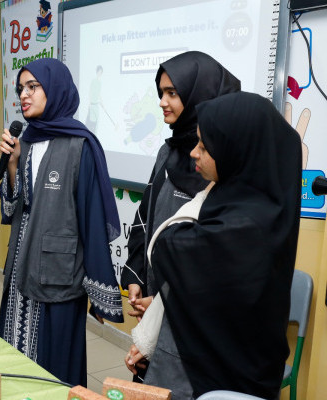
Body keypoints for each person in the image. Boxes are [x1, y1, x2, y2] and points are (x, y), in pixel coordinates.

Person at [127, 91, 301, 399]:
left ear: (237, 153)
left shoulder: (246, 225)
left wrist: (202, 196)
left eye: (205, 147)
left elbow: (165, 246)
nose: (194, 153)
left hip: (223, 379)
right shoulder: (252, 203)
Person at [0, 57, 123, 387]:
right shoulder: (24, 142)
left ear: (56, 89)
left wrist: (99, 288)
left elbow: (92, 221)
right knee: (13, 363)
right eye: (21, 88)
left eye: (33, 87)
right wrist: (11, 165)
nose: (24, 95)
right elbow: (11, 210)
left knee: (54, 372)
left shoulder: (80, 145)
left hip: (59, 276)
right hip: (20, 269)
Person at [120, 52, 240, 381]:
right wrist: (135, 278)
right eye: (161, 93)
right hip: (154, 299)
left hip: (192, 312)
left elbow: (211, 256)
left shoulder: (221, 165)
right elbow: (145, 215)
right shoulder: (167, 151)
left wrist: (161, 301)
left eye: (173, 93)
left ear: (199, 94)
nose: (162, 102)